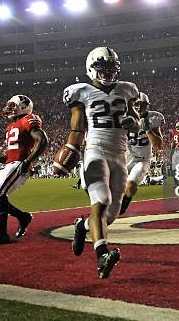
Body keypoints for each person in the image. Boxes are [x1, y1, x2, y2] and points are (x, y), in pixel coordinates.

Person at [63, 47, 140, 279]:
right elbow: (76, 128)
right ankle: (102, 255)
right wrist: (71, 149)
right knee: (101, 200)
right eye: (102, 68)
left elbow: (136, 121)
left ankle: (82, 226)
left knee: (112, 214)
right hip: (95, 149)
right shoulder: (81, 92)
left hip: (120, 153)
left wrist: (133, 123)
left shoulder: (127, 89)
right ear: (90, 69)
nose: (107, 73)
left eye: (110, 69)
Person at [0, 95, 48, 245]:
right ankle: (23, 217)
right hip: (10, 164)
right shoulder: (11, 126)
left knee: (0, 193)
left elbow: (42, 140)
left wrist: (27, 161)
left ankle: (2, 234)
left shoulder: (28, 119)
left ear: (23, 108)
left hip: (19, 164)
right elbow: (12, 153)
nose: (9, 109)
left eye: (13, 106)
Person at [120, 92, 164, 215]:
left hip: (142, 159)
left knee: (131, 184)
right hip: (124, 158)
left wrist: (148, 130)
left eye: (140, 104)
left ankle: (121, 208)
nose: (138, 107)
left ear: (146, 105)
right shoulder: (124, 117)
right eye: (135, 104)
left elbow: (159, 146)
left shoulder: (152, 118)